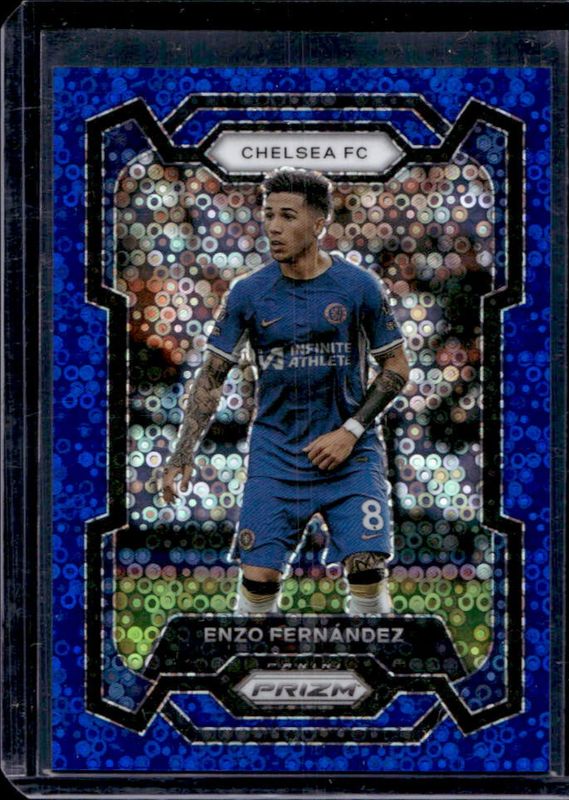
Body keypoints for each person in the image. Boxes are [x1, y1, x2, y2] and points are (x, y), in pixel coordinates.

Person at [162, 168, 409, 615]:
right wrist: (182, 453)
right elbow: (211, 377)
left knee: (367, 569)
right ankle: (252, 655)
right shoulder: (248, 293)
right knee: (258, 583)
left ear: (318, 224)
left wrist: (350, 430)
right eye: (268, 214)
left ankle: (372, 654)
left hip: (350, 455)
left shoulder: (359, 287)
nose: (273, 227)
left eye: (287, 216)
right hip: (276, 455)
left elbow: (396, 366)